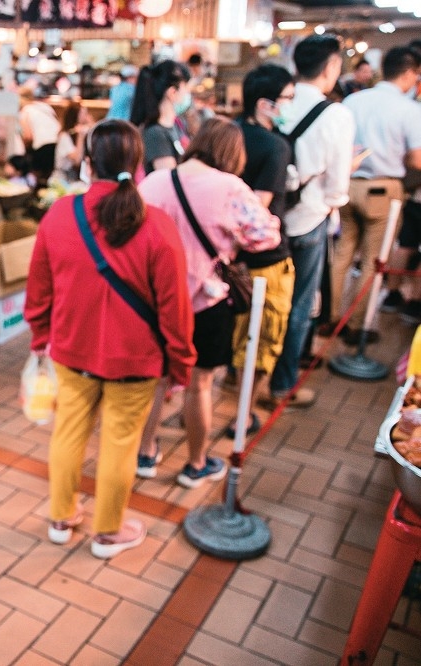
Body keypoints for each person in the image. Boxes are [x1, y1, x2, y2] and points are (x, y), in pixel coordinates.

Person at [24, 119, 195, 557]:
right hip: (135, 362)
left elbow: (39, 289)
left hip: (70, 350)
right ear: (137, 166)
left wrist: (41, 337)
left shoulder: (60, 214)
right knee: (120, 445)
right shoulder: (157, 226)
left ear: (86, 164)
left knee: (68, 432)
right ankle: (107, 533)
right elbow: (175, 308)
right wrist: (181, 365)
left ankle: (61, 519)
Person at [138, 118, 281, 487]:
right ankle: (196, 464)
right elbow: (265, 236)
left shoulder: (153, 182)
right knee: (200, 384)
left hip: (155, 302)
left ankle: (146, 453)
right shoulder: (231, 187)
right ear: (232, 153)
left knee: (158, 379)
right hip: (205, 301)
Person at [255, 34, 354, 412]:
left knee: (263, 299)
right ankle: (282, 383)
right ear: (331, 68)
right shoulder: (337, 115)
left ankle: (247, 372)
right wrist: (330, 205)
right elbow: (338, 186)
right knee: (298, 306)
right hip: (309, 219)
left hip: (267, 215)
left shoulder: (279, 103)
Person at [326, 47, 421, 343]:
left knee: (342, 254)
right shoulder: (408, 109)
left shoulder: (354, 101)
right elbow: (417, 159)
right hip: (383, 189)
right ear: (407, 73)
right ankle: (356, 326)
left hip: (347, 184)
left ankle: (329, 317)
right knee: (372, 260)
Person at [225, 65, 297, 438]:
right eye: (287, 99)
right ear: (266, 104)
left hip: (224, 259)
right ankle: (244, 413)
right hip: (265, 263)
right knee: (262, 339)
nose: (290, 105)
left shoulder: (228, 133)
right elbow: (259, 209)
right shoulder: (275, 146)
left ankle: (214, 401)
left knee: (230, 336)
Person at [130, 59, 192, 174]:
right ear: (172, 92)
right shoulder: (155, 134)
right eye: (186, 89)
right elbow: (169, 181)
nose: (188, 95)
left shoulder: (178, 124)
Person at [18, 86, 61, 189]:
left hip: (42, 146)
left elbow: (28, 137)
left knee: (36, 176)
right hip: (58, 143)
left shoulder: (25, 111)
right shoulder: (45, 106)